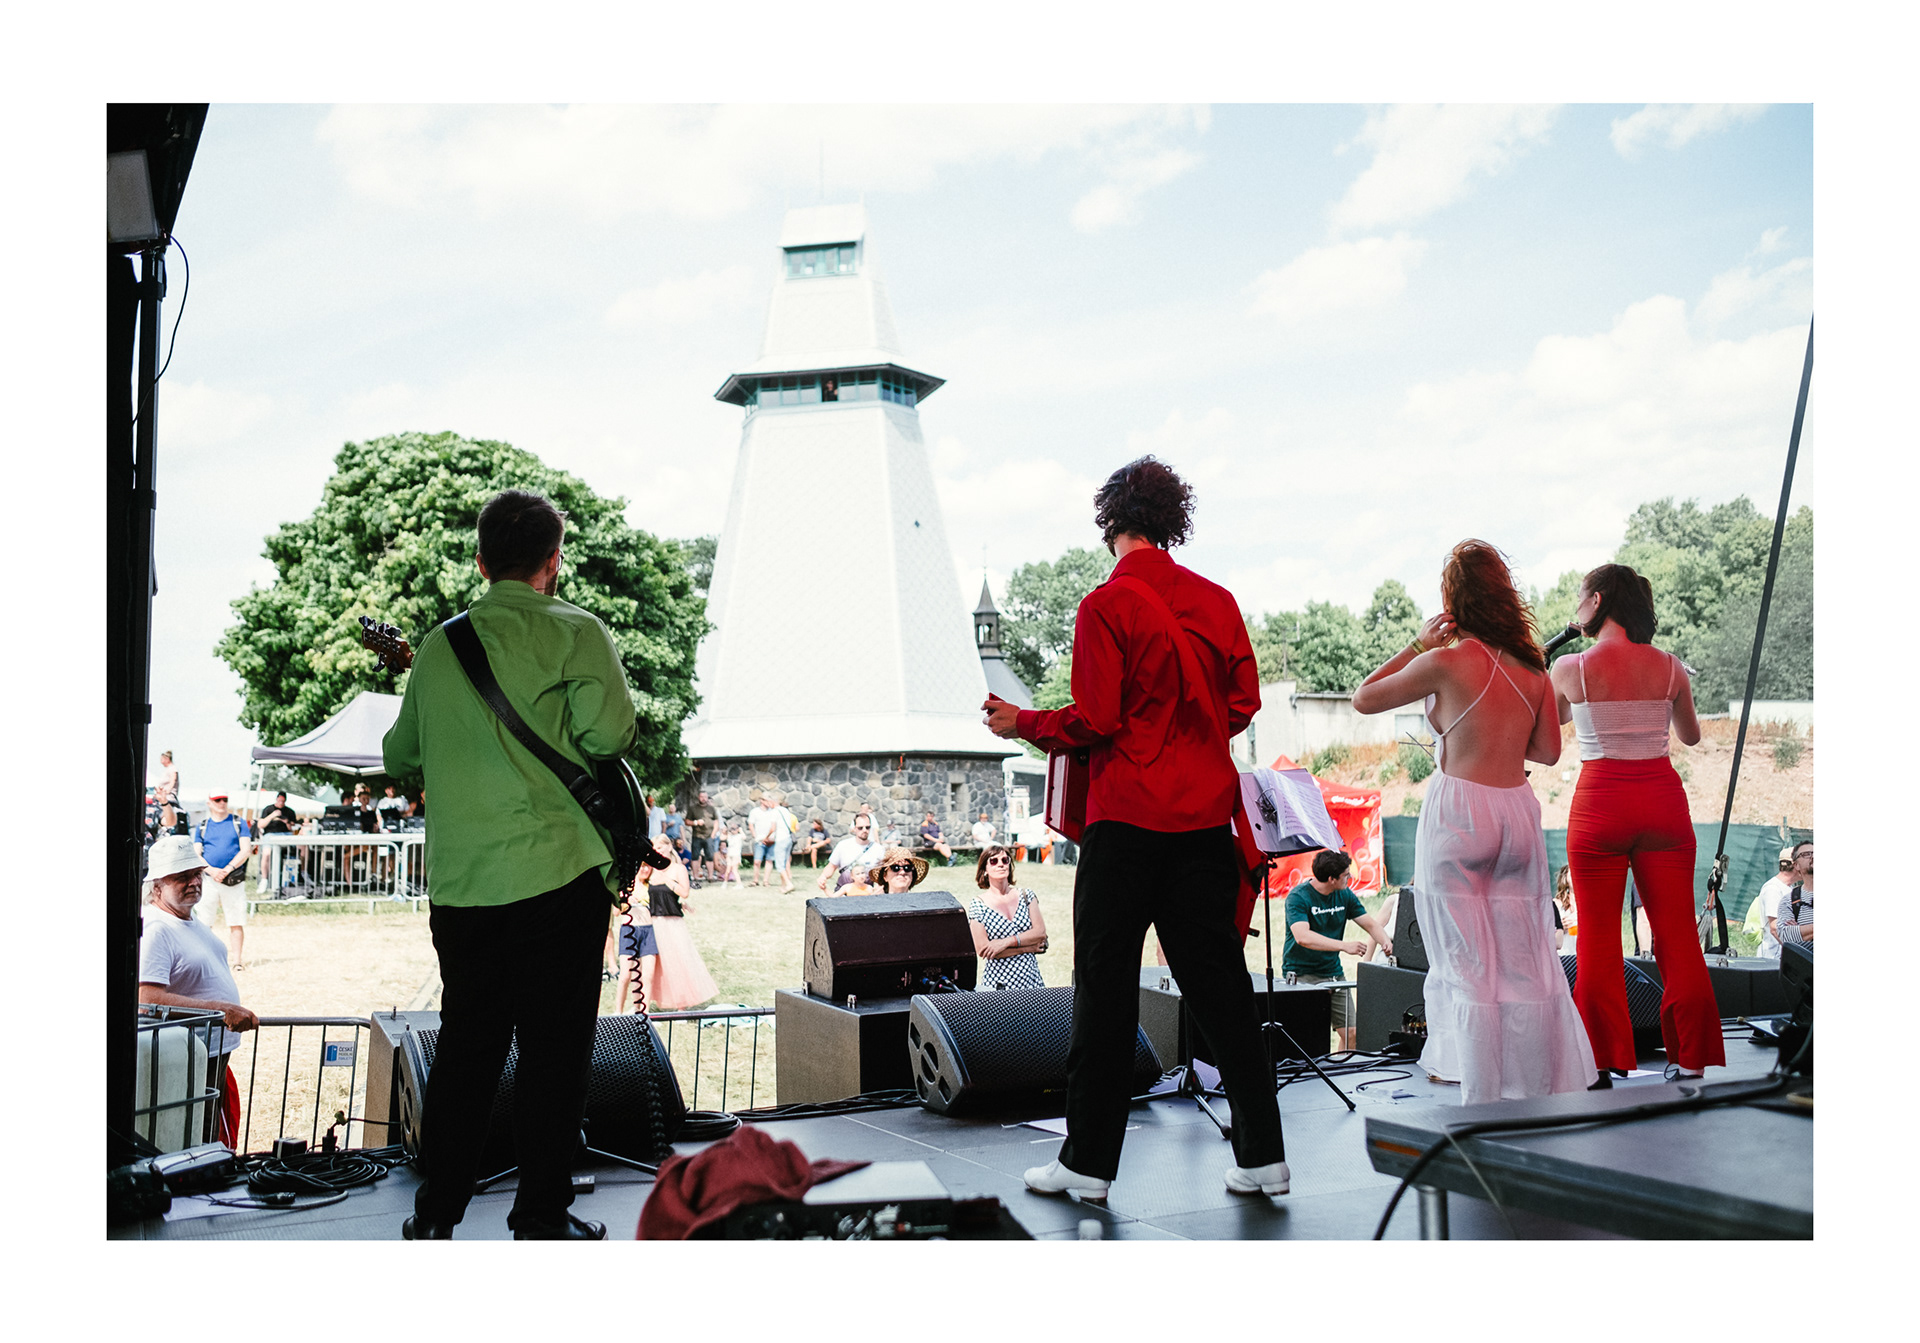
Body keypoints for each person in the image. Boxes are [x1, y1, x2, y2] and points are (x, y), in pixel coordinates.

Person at [985, 455, 1291, 1202]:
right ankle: (1264, 1156)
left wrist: (1023, 721)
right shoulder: (1218, 601)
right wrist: (1190, 734)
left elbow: (1097, 717)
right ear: (1170, 521)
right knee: (1222, 991)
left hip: (1126, 822)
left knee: (1107, 991)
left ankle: (1088, 1164)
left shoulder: (1105, 605)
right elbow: (1242, 703)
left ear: (1110, 521)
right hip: (1203, 823)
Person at [382, 487, 636, 1241]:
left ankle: (436, 1216)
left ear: (481, 561)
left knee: (467, 1051)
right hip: (560, 877)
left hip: (465, 890)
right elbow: (610, 735)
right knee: (555, 1056)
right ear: (553, 562)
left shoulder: (438, 647)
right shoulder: (577, 631)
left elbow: (399, 755)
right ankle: (540, 1217)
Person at [1352, 539, 1594, 1104]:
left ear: (1454, 601)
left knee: (1465, 964)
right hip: (1516, 812)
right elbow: (1547, 752)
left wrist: (1418, 644)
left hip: (1460, 813)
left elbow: (1364, 698)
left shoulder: (1444, 661)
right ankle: (1534, 1087)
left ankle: (1480, 1091)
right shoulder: (1534, 669)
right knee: (1525, 961)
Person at [1550, 561, 1722, 1083]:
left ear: (1598, 601)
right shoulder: (1670, 667)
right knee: (1677, 936)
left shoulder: (1571, 668)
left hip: (1601, 803)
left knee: (1597, 939)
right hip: (1662, 803)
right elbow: (1690, 736)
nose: (1577, 606)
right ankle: (1691, 1058)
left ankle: (1603, 1061)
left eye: (1581, 597)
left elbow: (1552, 724)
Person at [138, 834, 258, 1147]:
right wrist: (222, 1010)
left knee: (208, 1133)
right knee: (194, 1138)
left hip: (207, 1052)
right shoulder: (157, 928)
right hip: (186, 1057)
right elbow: (146, 998)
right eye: (182, 876)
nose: (194, 882)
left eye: (196, 873)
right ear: (157, 885)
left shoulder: (187, 920)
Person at [1281, 850, 1390, 1053]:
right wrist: (1344, 946)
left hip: (1333, 973)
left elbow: (1370, 924)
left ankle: (1339, 1070)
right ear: (1332, 879)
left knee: (1352, 1033)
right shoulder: (1298, 897)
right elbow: (1302, 937)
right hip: (1301, 974)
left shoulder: (1344, 894)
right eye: (1346, 875)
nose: (1350, 878)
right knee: (1309, 1037)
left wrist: (1386, 942)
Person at [620, 836, 718, 1012]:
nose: (657, 851)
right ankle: (641, 1005)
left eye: (660, 847)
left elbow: (685, 892)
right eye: (654, 848)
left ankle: (681, 1006)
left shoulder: (678, 869)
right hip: (651, 922)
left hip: (672, 923)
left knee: (677, 963)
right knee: (649, 967)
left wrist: (669, 882)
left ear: (669, 847)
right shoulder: (651, 869)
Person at [967, 844, 1048, 990]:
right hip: (998, 986)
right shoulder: (978, 905)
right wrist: (1028, 947)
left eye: (1005, 860)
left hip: (1032, 982)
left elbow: (1040, 933)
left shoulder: (1026, 896)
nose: (1001, 864)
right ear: (985, 870)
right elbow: (984, 950)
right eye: (994, 861)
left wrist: (1004, 943)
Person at [193, 791, 253, 970]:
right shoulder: (202, 826)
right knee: (204, 923)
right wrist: (211, 870)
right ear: (209, 803)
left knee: (236, 921)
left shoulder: (238, 822)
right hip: (208, 880)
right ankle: (205, 960)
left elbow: (245, 850)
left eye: (224, 800)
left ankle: (237, 961)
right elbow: (196, 853)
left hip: (233, 879)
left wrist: (227, 869)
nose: (221, 803)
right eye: (217, 800)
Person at [1745, 847, 1795, 960]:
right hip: (1773, 958)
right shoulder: (1773, 889)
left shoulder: (1789, 888)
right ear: (1795, 865)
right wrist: (1796, 952)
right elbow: (1775, 928)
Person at [819, 814, 887, 893]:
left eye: (867, 827)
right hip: (844, 894)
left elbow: (884, 873)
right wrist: (823, 877)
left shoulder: (878, 849)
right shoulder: (843, 846)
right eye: (860, 828)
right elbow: (831, 867)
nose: (864, 830)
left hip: (866, 894)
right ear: (854, 829)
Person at [1776, 840, 1813, 947]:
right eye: (1806, 854)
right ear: (1796, 865)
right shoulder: (1789, 900)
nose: (1813, 857)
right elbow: (1785, 936)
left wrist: (1800, 930)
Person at [687, 790, 719, 883]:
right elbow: (687, 821)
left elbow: (716, 821)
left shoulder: (712, 809)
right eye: (701, 797)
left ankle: (710, 877)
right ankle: (695, 877)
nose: (703, 799)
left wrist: (713, 834)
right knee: (695, 857)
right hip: (697, 836)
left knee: (709, 857)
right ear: (698, 797)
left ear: (707, 797)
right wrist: (696, 822)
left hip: (709, 836)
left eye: (705, 797)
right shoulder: (693, 808)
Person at [748, 795, 781, 887]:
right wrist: (755, 836)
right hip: (760, 839)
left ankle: (766, 881)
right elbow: (751, 825)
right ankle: (755, 880)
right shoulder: (754, 812)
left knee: (769, 860)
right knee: (757, 861)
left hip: (771, 839)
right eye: (766, 800)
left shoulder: (773, 812)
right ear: (761, 800)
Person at [1553, 864, 1578, 953]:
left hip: (1583, 955)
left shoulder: (1591, 906)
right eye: (1573, 872)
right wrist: (1559, 927)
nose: (1577, 876)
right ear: (1565, 878)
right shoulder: (1556, 904)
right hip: (1563, 955)